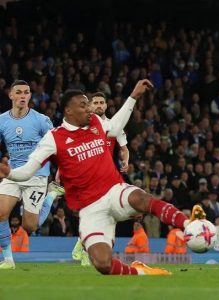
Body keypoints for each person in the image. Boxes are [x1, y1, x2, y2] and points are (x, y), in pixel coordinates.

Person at [0, 79, 207, 276]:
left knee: (141, 198)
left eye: (89, 105)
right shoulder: (54, 138)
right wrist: (9, 173)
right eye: (84, 105)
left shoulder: (96, 123)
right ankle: (141, 271)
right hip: (91, 207)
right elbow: (27, 171)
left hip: (113, 189)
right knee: (102, 264)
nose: (90, 108)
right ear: (69, 111)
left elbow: (116, 127)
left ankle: (189, 225)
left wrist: (133, 96)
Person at [0, 80, 59, 270]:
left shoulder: (41, 120)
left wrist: (62, 168)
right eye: (18, 92)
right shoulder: (2, 120)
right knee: (0, 213)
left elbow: (58, 145)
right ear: (11, 95)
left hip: (36, 174)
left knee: (30, 226)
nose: (23, 96)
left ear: (30, 96)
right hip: (13, 173)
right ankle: (8, 260)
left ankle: (51, 194)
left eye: (26, 92)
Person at [72, 91, 131, 264]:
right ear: (90, 106)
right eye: (95, 102)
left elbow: (123, 148)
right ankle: (85, 249)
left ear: (106, 105)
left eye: (101, 102)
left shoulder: (114, 126)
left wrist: (125, 161)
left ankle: (82, 244)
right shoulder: (82, 126)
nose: (98, 105)